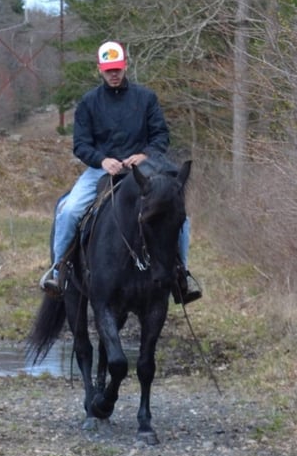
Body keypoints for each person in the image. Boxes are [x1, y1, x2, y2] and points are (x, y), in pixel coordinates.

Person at [39, 40, 202, 304]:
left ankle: (181, 273)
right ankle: (59, 271)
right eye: (108, 70)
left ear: (125, 66)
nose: (113, 74)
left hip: (144, 172)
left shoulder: (146, 98)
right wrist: (102, 160)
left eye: (117, 68)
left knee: (179, 216)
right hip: (100, 172)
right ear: (99, 70)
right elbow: (81, 144)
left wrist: (145, 154)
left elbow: (161, 134)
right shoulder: (89, 102)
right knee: (68, 211)